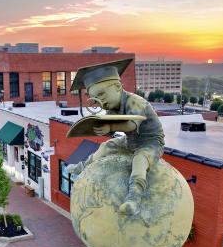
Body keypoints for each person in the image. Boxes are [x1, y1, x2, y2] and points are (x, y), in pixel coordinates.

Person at [67, 58, 165, 221]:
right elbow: (111, 128)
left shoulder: (135, 101)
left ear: (118, 87)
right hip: (131, 142)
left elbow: (131, 125)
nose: (100, 101)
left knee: (140, 160)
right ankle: (82, 166)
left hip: (151, 142)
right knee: (106, 146)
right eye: (94, 98)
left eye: (102, 94)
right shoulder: (111, 108)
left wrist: (111, 127)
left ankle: (134, 198)